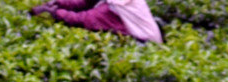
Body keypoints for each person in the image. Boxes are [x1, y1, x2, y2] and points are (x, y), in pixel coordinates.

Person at [28, 0, 163, 44]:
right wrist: (57, 3)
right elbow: (84, 2)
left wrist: (54, 13)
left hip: (143, 43)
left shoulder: (117, 5)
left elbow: (83, 19)